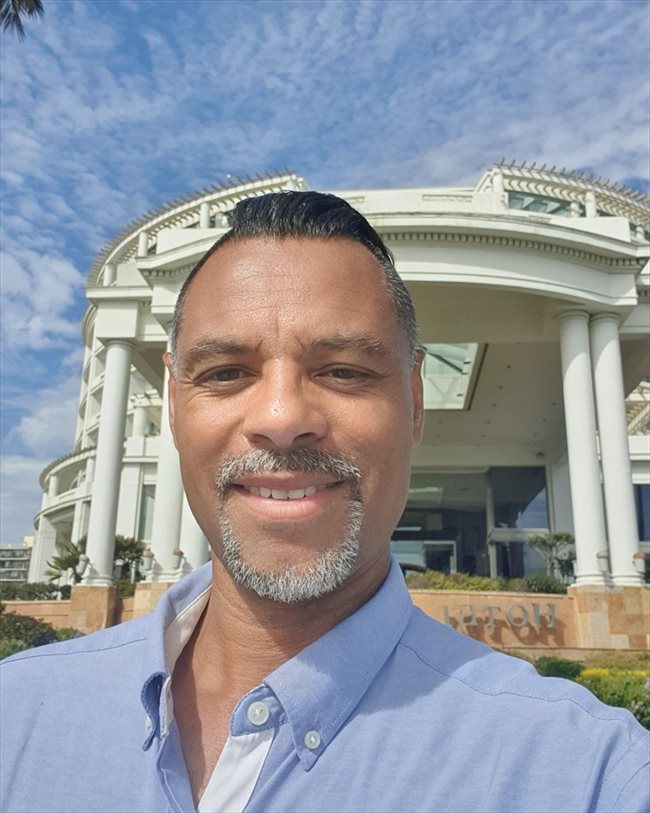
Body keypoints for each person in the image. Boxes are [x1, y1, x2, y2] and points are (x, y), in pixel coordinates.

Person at [1, 192, 648, 813]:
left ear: (415, 403)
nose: (282, 418)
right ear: (174, 405)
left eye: (344, 370)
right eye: (226, 373)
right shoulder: (18, 714)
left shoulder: (588, 775)